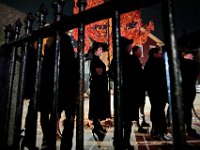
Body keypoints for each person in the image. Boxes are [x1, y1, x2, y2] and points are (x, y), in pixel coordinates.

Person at [39, 33, 79, 150]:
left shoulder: (49, 44)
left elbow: (46, 67)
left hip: (52, 86)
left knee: (54, 115)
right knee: (69, 117)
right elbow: (69, 63)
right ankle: (65, 145)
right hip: (66, 85)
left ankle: (49, 143)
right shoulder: (64, 40)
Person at [88, 41, 111, 141]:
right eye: (100, 49)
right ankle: (97, 129)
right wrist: (109, 71)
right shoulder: (95, 60)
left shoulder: (96, 59)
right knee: (97, 108)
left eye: (102, 49)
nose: (102, 51)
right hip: (98, 89)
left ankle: (98, 128)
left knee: (97, 109)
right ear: (95, 50)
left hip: (99, 88)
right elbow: (99, 73)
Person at [144, 47, 168, 140]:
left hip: (152, 91)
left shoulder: (148, 64)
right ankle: (160, 130)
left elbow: (145, 78)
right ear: (155, 54)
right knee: (160, 110)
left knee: (154, 108)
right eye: (159, 53)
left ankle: (155, 128)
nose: (160, 55)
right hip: (161, 90)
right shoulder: (161, 63)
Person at [180, 52, 199, 136]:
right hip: (189, 88)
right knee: (187, 109)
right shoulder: (191, 63)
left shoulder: (176, 63)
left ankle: (182, 128)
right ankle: (188, 128)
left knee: (182, 109)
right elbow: (196, 73)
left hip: (181, 89)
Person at [132, 46, 150, 128]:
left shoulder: (137, 60)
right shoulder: (134, 60)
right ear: (135, 52)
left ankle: (142, 121)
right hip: (137, 87)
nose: (141, 52)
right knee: (138, 104)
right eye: (139, 51)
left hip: (139, 87)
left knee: (141, 104)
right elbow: (138, 74)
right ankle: (138, 123)